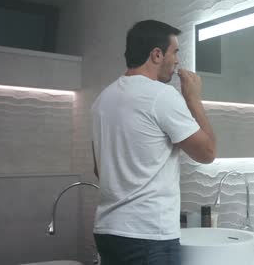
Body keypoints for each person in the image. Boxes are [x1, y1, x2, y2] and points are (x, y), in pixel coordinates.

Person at [91, 20, 216, 265]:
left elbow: (100, 169)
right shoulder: (161, 95)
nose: (177, 60)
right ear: (156, 55)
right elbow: (208, 152)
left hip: (108, 231)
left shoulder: (102, 100)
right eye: (175, 52)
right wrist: (193, 100)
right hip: (148, 234)